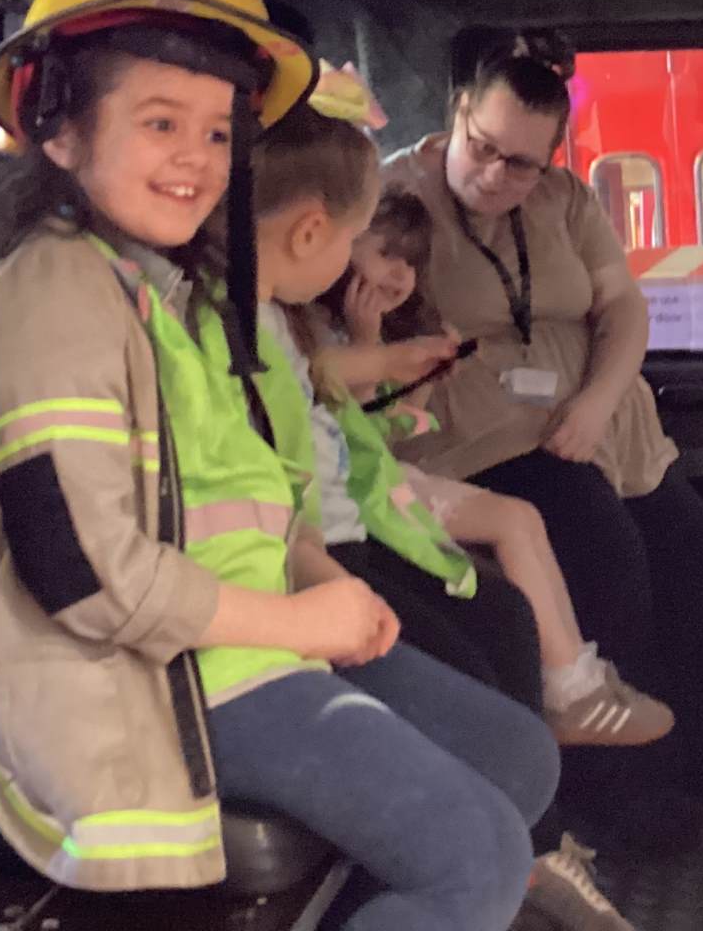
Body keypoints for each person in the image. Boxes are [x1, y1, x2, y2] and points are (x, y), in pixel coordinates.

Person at [0, 0, 558, 931]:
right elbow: (82, 572)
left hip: (247, 642)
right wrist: (298, 625)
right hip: (161, 677)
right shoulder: (53, 294)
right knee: (479, 860)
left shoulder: (180, 294)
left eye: (217, 134)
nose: (196, 159)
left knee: (518, 760)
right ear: (60, 127)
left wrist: (320, 578)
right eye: (160, 122)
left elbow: (240, 492)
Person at [383, 32, 703, 855]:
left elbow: (622, 306)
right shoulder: (397, 198)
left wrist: (597, 401)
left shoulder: (566, 202)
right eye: (483, 148)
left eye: (522, 164)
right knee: (609, 568)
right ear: (458, 113)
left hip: (604, 431)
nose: (495, 175)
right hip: (486, 441)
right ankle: (616, 792)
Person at [243, 95, 650, 931]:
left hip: (340, 538)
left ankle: (538, 829)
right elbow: (289, 470)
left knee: (505, 622)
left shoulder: (279, 319)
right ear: (317, 233)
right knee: (484, 689)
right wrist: (320, 582)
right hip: (306, 579)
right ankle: (515, 856)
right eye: (360, 242)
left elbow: (318, 449)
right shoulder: (248, 327)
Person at [325, 183, 675, 749]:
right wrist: (374, 349)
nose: (398, 274)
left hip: (381, 470)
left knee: (523, 518)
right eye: (384, 253)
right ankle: (570, 690)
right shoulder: (324, 334)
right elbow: (355, 425)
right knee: (512, 524)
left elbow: (389, 430)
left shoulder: (395, 331)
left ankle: (579, 675)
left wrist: (420, 384)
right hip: (356, 485)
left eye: (410, 263)